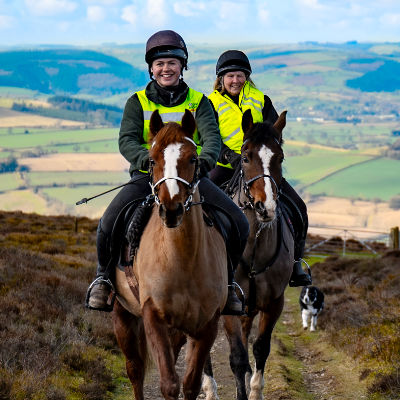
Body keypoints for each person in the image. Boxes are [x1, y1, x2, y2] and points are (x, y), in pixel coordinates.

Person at [85, 31, 249, 314]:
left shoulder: (199, 102)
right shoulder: (137, 102)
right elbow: (127, 140)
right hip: (148, 177)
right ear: (151, 68)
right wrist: (147, 162)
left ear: (182, 66)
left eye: (172, 63)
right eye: (160, 64)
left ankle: (229, 283)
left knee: (238, 222)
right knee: (108, 223)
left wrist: (202, 163)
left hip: (190, 179)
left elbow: (212, 140)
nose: (166, 69)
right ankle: (103, 280)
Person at [208, 50, 312, 287]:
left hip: (260, 167)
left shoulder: (261, 100)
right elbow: (208, 137)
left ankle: (296, 263)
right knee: (202, 204)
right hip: (225, 166)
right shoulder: (211, 103)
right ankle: (204, 260)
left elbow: (275, 133)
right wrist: (230, 156)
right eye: (230, 76)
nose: (235, 81)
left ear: (247, 77)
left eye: (240, 75)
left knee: (299, 207)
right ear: (221, 79)